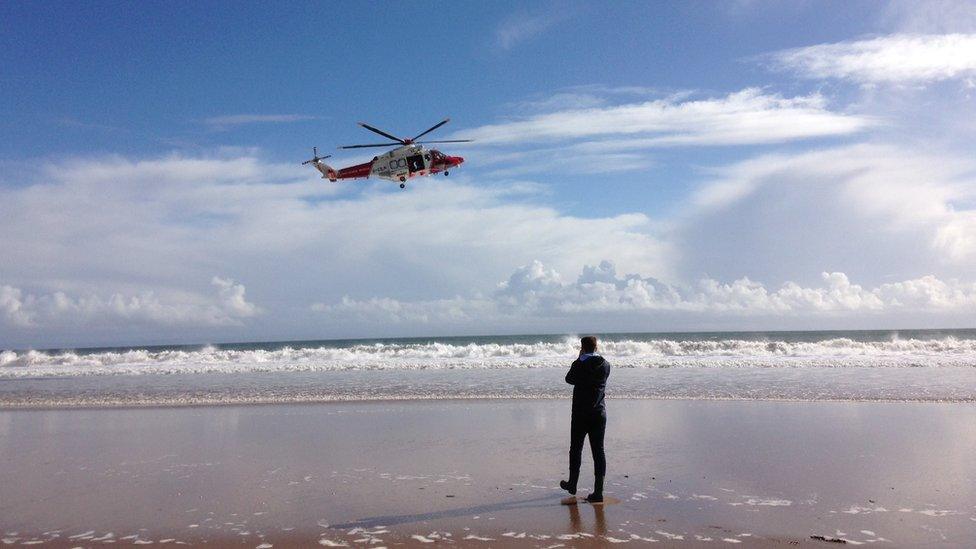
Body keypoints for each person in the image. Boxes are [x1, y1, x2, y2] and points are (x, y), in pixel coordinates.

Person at [560, 335, 610, 502]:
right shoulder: (605, 365)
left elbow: (569, 379)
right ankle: (598, 492)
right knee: (598, 451)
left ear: (582, 348)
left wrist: (579, 359)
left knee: (576, 449)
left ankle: (573, 484)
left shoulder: (579, 364)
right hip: (599, 413)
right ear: (596, 347)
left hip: (581, 414)